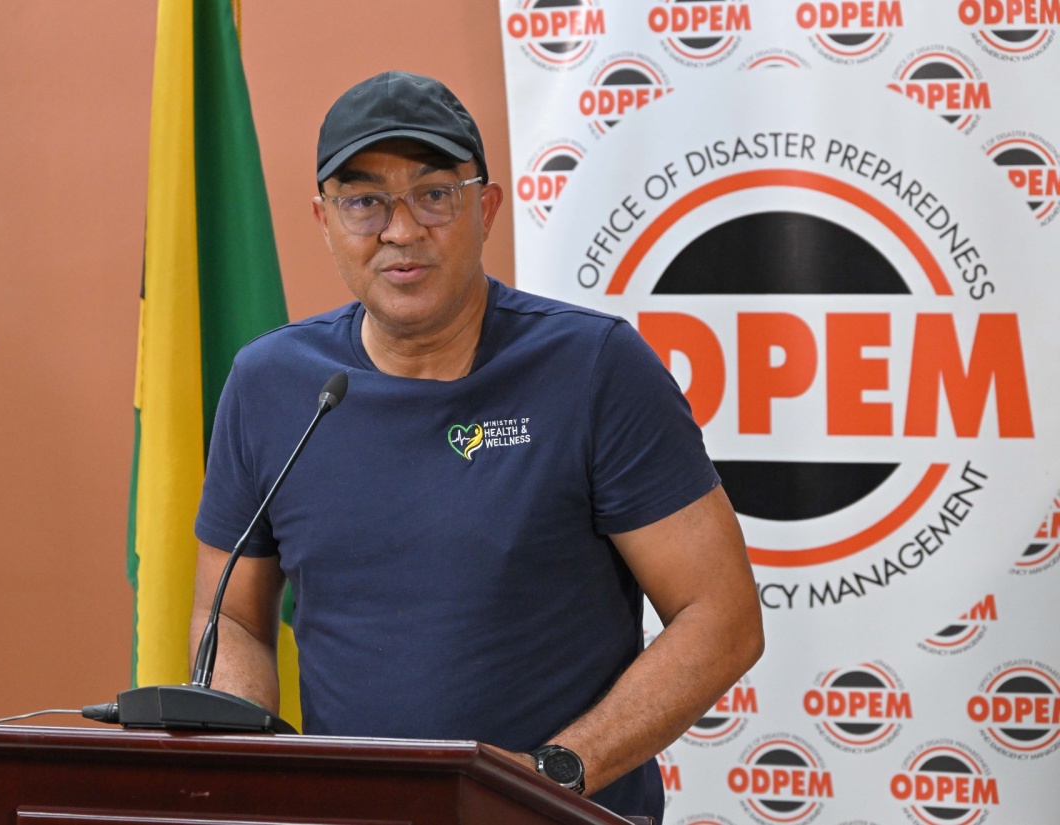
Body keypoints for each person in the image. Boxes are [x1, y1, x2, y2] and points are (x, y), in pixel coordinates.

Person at [191, 70, 763, 823]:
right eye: (363, 201)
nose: (400, 229)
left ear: (486, 207)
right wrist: (246, 767)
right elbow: (229, 616)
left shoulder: (596, 368)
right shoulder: (271, 385)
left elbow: (721, 617)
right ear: (324, 219)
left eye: (434, 194)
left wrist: (553, 774)